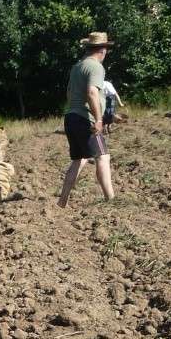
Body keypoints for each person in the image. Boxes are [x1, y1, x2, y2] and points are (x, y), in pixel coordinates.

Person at [58, 31, 115, 208]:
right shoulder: (96, 67)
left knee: (79, 159)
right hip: (86, 120)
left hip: (71, 118)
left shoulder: (77, 67)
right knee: (103, 157)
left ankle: (62, 202)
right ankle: (111, 201)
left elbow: (69, 93)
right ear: (103, 49)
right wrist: (98, 120)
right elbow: (92, 92)